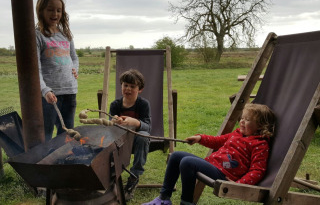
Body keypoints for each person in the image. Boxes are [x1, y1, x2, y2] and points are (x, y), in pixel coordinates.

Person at [143, 103, 276, 205]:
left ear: (260, 126)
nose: (241, 121)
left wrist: (239, 184)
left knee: (187, 162)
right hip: (213, 165)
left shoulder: (260, 145)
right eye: (242, 118)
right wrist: (200, 138)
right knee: (176, 156)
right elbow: (218, 141)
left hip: (225, 175)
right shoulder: (237, 134)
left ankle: (186, 203)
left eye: (247, 120)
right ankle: (164, 199)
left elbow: (257, 170)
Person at [35, 0, 79, 142]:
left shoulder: (65, 34)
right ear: (41, 11)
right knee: (46, 134)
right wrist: (45, 90)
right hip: (50, 94)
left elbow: (74, 57)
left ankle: (64, 161)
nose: (55, 13)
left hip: (70, 90)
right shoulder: (38, 35)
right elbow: (36, 68)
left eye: (59, 10)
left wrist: (75, 69)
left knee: (67, 132)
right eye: (50, 9)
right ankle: (46, 163)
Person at [109, 69, 151, 201]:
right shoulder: (115, 105)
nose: (128, 89)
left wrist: (136, 122)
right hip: (121, 141)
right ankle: (112, 176)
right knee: (108, 140)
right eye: (125, 85)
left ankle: (134, 177)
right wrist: (114, 122)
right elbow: (110, 128)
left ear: (140, 89)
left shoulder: (143, 104)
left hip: (137, 142)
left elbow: (148, 127)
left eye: (132, 86)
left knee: (144, 135)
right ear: (121, 86)